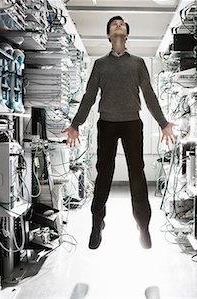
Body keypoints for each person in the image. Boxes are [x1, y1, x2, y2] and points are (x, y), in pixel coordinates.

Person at [64, 16, 175, 250]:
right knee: (104, 174)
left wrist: (163, 123)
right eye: (113, 24)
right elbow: (89, 96)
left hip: (132, 123)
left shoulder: (137, 63)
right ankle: (96, 224)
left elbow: (149, 95)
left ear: (127, 34)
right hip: (107, 124)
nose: (118, 25)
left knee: (137, 174)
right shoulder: (101, 65)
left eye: (122, 23)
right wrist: (75, 124)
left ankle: (143, 227)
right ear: (107, 35)